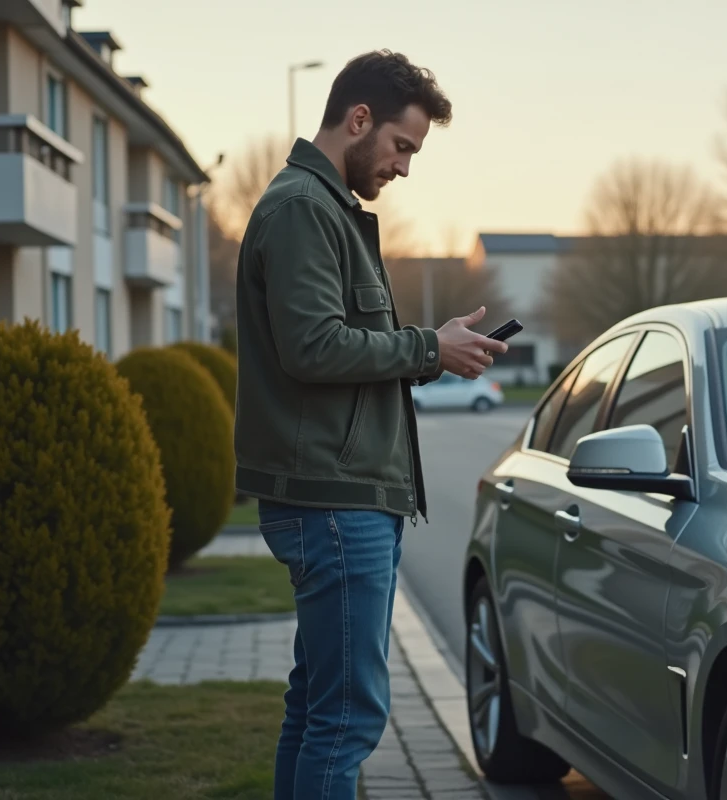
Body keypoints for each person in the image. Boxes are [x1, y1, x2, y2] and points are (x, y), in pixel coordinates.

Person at [232, 49, 508, 800]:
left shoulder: (323, 210)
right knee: (348, 717)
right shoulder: (302, 210)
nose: (405, 167)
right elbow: (313, 347)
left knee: (318, 707)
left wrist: (432, 349)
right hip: (331, 499)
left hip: (339, 493)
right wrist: (428, 346)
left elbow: (342, 347)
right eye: (402, 146)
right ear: (359, 120)